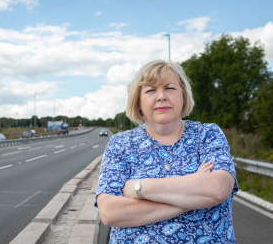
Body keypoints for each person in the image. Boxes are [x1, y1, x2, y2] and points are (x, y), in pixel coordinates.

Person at [95, 60, 238, 244]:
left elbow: (218, 189)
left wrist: (140, 188)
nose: (161, 96)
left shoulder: (207, 134)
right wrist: (194, 194)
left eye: (170, 88)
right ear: (138, 102)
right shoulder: (120, 144)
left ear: (183, 96)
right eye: (150, 90)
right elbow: (109, 212)